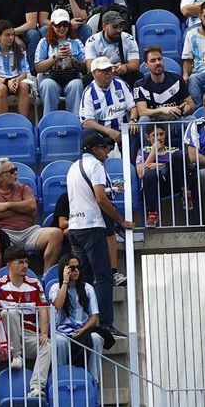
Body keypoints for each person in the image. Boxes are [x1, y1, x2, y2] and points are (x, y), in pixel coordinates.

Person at [65, 131, 130, 337]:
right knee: (103, 278)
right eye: (104, 148)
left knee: (84, 278)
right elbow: (100, 198)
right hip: (91, 226)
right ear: (95, 149)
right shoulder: (96, 166)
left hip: (75, 227)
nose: (107, 152)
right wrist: (121, 221)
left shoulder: (73, 167)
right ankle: (106, 325)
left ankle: (85, 321)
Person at [0, 247, 52, 401]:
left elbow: (44, 309)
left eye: (26, 262)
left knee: (48, 345)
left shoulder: (34, 284)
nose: (25, 266)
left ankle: (36, 388)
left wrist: (44, 333)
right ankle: (16, 355)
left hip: (30, 335)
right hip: (9, 337)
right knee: (9, 312)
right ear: (9, 265)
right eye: (20, 262)